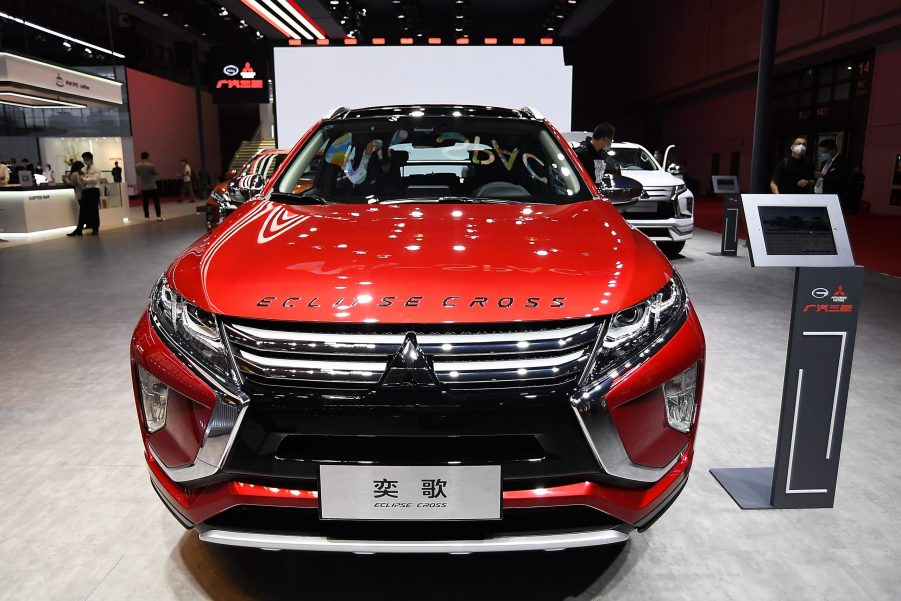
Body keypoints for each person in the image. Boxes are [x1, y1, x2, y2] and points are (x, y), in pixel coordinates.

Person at [814, 139, 852, 207]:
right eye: (822, 152)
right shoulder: (825, 162)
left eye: (825, 152)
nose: (823, 154)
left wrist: (824, 176)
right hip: (819, 193)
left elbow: (842, 178)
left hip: (833, 195)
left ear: (833, 149)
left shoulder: (842, 161)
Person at [79, 151, 103, 235]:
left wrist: (85, 179)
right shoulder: (83, 169)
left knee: (94, 210)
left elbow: (95, 180)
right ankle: (88, 224)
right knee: (86, 209)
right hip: (85, 190)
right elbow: (80, 179)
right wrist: (85, 179)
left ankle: (95, 228)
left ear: (91, 159)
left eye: (86, 159)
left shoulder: (97, 168)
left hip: (94, 190)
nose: (85, 161)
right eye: (84, 159)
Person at [135, 151, 163, 221]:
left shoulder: (137, 166)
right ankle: (158, 216)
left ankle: (147, 217)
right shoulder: (151, 165)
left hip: (143, 187)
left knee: (145, 203)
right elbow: (156, 173)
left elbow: (138, 174)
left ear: (141, 157)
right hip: (152, 186)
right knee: (156, 202)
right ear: (148, 157)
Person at [66, 161, 87, 236]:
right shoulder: (84, 173)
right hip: (87, 193)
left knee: (82, 212)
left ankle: (79, 229)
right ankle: (83, 227)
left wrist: (66, 180)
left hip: (80, 194)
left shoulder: (75, 174)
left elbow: (72, 184)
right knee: (84, 211)